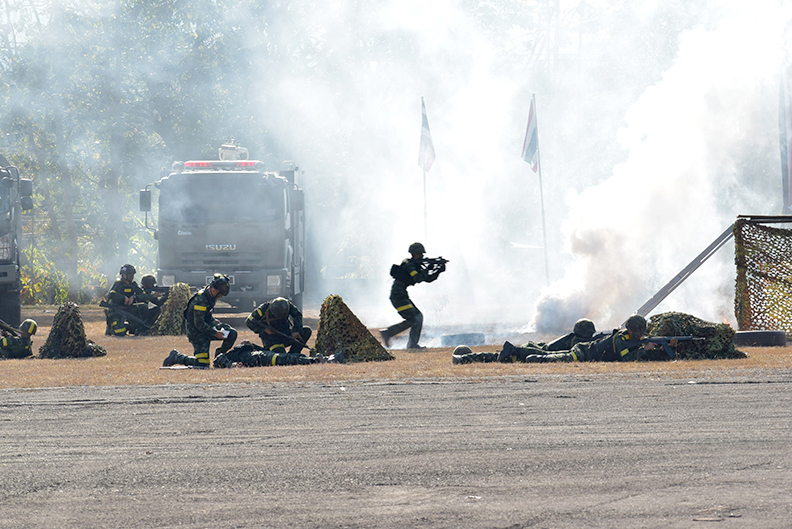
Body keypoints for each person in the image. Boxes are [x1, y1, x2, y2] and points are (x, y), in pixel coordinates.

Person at [498, 314, 670, 363]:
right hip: (583, 353)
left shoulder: (632, 339)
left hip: (588, 353)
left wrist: (664, 349)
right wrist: (644, 349)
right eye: (638, 332)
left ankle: (518, 353)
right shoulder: (621, 338)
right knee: (554, 357)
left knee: (550, 353)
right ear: (631, 329)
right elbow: (626, 358)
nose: (640, 335)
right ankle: (527, 356)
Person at [162, 274, 238, 369]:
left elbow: (205, 314)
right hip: (197, 332)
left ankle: (219, 357)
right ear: (214, 290)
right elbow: (198, 323)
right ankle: (177, 357)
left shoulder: (210, 295)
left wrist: (213, 320)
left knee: (232, 333)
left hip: (208, 327)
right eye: (220, 295)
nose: (219, 297)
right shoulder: (201, 299)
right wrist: (215, 333)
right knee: (202, 364)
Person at [379, 242, 445, 350]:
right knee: (414, 318)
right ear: (414, 254)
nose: (421, 256)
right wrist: (428, 269)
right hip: (397, 294)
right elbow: (418, 278)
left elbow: (427, 279)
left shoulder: (414, 265)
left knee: (418, 317)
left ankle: (412, 344)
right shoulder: (408, 264)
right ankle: (389, 332)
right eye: (420, 254)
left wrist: (438, 271)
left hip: (401, 294)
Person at [452, 318, 600, 364]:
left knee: (495, 357)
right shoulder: (574, 341)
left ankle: (464, 358)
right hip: (533, 350)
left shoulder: (574, 338)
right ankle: (463, 358)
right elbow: (548, 351)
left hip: (534, 348)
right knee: (499, 357)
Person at [105, 264, 162, 336]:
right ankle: (114, 328)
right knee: (119, 332)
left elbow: (143, 295)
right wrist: (123, 298)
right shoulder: (118, 284)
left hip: (129, 309)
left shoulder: (133, 285)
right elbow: (110, 294)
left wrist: (135, 297)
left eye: (132, 275)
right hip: (117, 310)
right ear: (124, 275)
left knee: (143, 307)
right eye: (130, 275)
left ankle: (140, 328)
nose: (132, 277)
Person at [245, 297, 311, 355]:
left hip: (286, 334)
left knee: (306, 331)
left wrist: (296, 330)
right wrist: (264, 330)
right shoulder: (263, 309)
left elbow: (297, 315)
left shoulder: (288, 305)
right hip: (272, 339)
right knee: (280, 355)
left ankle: (294, 354)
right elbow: (249, 322)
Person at [213, 340, 344, 368]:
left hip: (264, 355)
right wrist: (232, 365)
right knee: (289, 359)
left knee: (290, 358)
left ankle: (318, 359)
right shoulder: (225, 357)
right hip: (261, 359)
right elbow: (218, 359)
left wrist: (249, 344)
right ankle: (318, 360)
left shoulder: (237, 352)